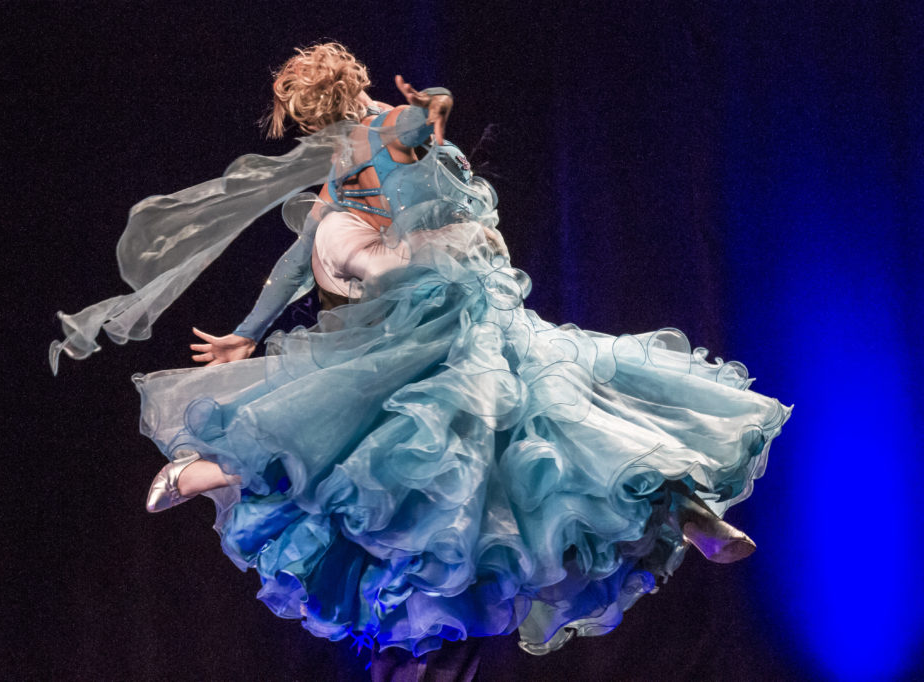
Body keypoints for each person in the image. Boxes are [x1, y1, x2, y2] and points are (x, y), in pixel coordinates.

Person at [52, 43, 790, 665]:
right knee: (392, 436)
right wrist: (251, 327)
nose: (327, 132)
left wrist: (427, 112)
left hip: (480, 299)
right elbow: (304, 248)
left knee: (553, 408)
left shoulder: (384, 131)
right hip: (417, 296)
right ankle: (208, 468)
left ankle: (690, 512)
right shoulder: (351, 158)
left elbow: (422, 128)